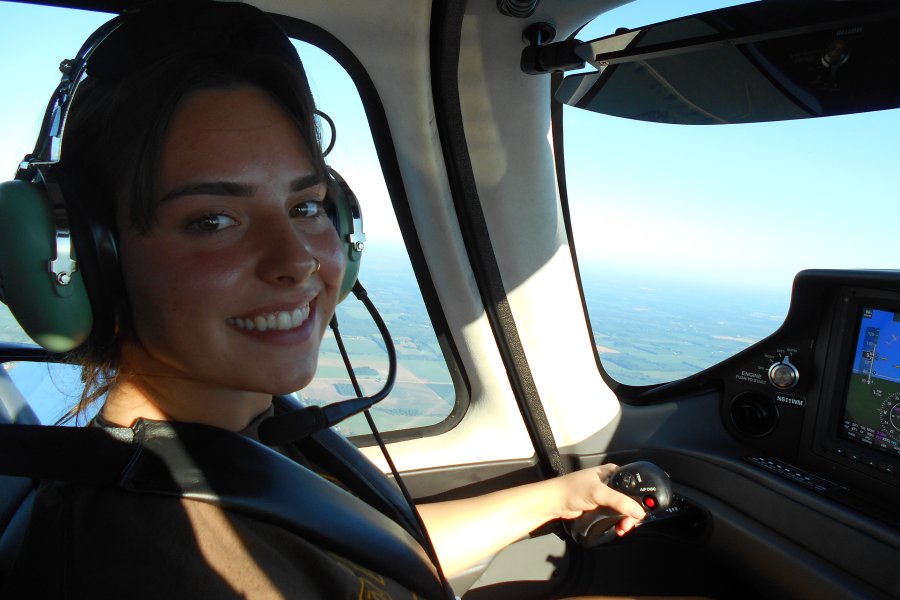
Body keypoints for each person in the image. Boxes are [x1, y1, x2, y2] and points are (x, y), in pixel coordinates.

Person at [2, 2, 646, 598]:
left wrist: (555, 500)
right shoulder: (147, 561)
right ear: (88, 259)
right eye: (212, 220)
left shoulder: (244, 433)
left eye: (305, 206)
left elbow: (359, 553)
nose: (299, 259)